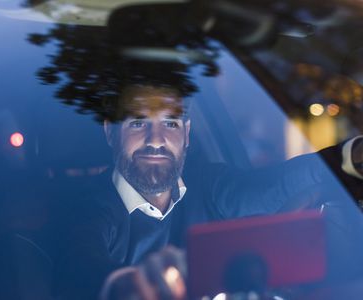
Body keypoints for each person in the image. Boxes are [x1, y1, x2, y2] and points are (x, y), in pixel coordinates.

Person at [54, 83, 363, 300]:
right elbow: (84, 265)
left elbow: (272, 188)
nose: (156, 139)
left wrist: (348, 157)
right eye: (138, 123)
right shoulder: (87, 206)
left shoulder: (209, 184)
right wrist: (133, 287)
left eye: (171, 124)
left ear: (186, 135)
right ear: (111, 131)